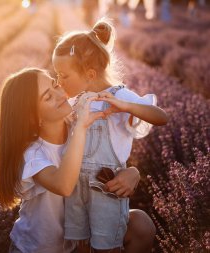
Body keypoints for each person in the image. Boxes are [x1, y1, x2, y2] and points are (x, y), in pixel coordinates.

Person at [0, 67, 157, 253]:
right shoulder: (32, 154)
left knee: (141, 225)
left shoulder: (77, 125)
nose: (60, 94)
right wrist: (81, 127)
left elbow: (104, 165)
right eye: (48, 97)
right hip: (39, 249)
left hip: (79, 242)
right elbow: (64, 185)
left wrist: (131, 173)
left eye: (55, 85)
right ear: (32, 119)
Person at [52, 19, 168, 252]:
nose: (58, 81)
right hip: (76, 190)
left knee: (108, 244)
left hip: (106, 187)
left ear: (90, 73)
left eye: (63, 76)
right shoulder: (76, 100)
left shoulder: (120, 96)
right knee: (81, 243)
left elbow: (160, 117)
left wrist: (127, 107)